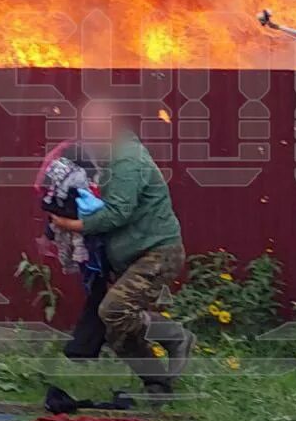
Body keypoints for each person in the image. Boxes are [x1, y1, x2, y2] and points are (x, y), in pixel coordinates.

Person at [49, 100, 193, 395]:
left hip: (157, 252)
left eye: (94, 126)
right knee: (115, 326)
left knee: (114, 311)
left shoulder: (127, 158)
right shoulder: (105, 156)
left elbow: (116, 213)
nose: (88, 132)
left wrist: (69, 225)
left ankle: (174, 338)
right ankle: (157, 383)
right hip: (132, 254)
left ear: (110, 125)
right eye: (86, 126)